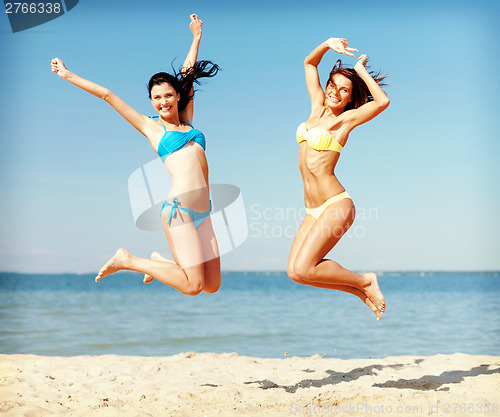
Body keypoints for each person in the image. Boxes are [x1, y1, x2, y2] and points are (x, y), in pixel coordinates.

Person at [51, 14, 221, 295]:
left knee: (212, 286)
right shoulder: (153, 129)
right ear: (152, 101)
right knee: (193, 286)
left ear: (177, 96)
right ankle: (129, 260)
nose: (163, 101)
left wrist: (196, 37)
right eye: (157, 98)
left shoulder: (188, 121)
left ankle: (159, 262)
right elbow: (107, 94)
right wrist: (67, 74)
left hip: (205, 211)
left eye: (168, 95)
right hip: (179, 210)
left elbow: (187, 74)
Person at [287, 37, 389, 319]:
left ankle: (365, 281)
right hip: (311, 209)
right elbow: (309, 63)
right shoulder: (316, 107)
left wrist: (361, 70)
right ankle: (359, 290)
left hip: (336, 204)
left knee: (306, 267)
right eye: (332, 85)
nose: (334, 92)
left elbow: (382, 101)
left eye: (343, 90)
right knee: (296, 272)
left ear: (349, 98)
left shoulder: (346, 120)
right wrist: (326, 44)